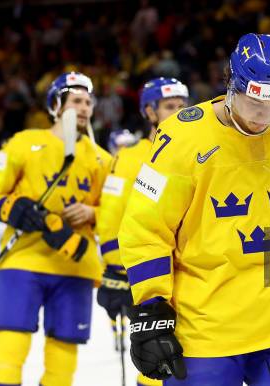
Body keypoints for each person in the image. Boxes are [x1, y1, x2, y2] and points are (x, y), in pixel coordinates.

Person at [118, 33, 270, 385]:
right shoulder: (180, 138)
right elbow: (145, 230)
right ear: (232, 85)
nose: (266, 116)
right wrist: (150, 309)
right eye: (257, 103)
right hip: (204, 330)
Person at [0, 71, 111, 386]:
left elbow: (120, 215)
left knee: (63, 359)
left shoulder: (103, 160)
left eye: (89, 102)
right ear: (56, 104)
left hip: (75, 265)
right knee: (11, 344)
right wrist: (13, 209)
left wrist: (93, 212)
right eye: (76, 100)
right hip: (24, 261)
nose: (84, 107)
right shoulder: (24, 143)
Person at [96, 77, 189, 386]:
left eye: (182, 106)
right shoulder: (128, 158)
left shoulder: (198, 152)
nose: (178, 112)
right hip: (151, 275)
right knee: (155, 360)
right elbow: (110, 216)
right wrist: (115, 267)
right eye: (169, 107)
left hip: (193, 278)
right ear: (149, 112)